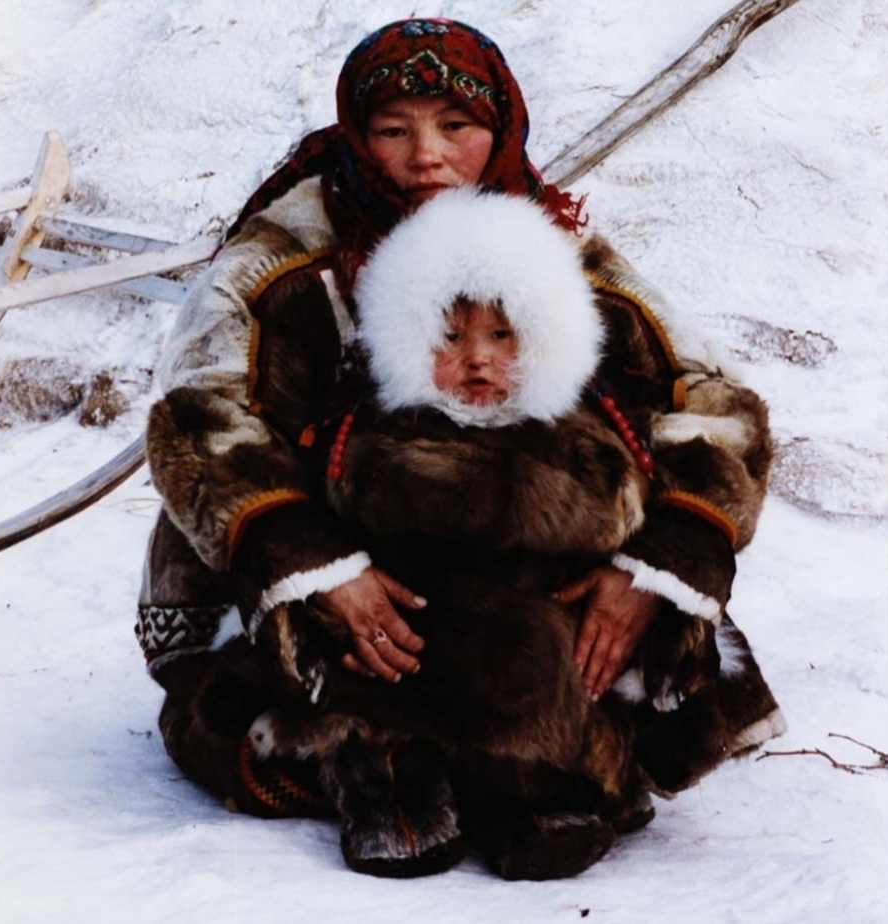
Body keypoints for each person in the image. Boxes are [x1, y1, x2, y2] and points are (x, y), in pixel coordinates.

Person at [135, 17, 785, 878]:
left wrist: (660, 561)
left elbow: (707, 396)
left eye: (455, 126)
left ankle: (531, 751)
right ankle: (371, 752)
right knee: (263, 717)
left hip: (496, 556)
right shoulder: (283, 259)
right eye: (392, 130)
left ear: (500, 129)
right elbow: (197, 418)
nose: (426, 157)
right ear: (357, 138)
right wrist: (312, 567)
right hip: (305, 556)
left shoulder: (549, 248)